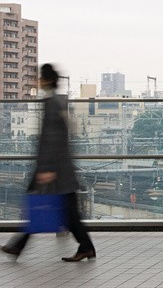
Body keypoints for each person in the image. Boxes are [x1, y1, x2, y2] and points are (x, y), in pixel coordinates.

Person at [2, 63, 96, 262]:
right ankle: (86, 247)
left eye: (40, 77)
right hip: (59, 168)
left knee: (46, 207)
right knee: (60, 210)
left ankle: (18, 245)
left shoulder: (52, 103)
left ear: (46, 80)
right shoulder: (55, 102)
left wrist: (46, 169)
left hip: (55, 170)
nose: (38, 80)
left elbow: (52, 139)